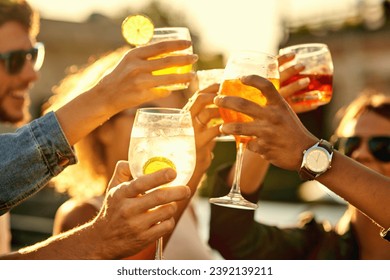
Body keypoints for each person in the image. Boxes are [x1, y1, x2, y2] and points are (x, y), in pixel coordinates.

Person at [0, 0, 196, 259]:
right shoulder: (80, 211)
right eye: (14, 60)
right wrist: (104, 97)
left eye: (33, 55)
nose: (32, 74)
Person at [42, 47, 220, 259]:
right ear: (104, 128)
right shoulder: (82, 215)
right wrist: (196, 165)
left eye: (174, 120)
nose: (165, 133)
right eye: (152, 115)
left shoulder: (187, 210)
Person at [209, 75, 390, 259]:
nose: (361, 154)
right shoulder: (312, 247)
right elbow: (231, 237)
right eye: (351, 144)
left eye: (383, 147)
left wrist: (308, 151)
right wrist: (267, 124)